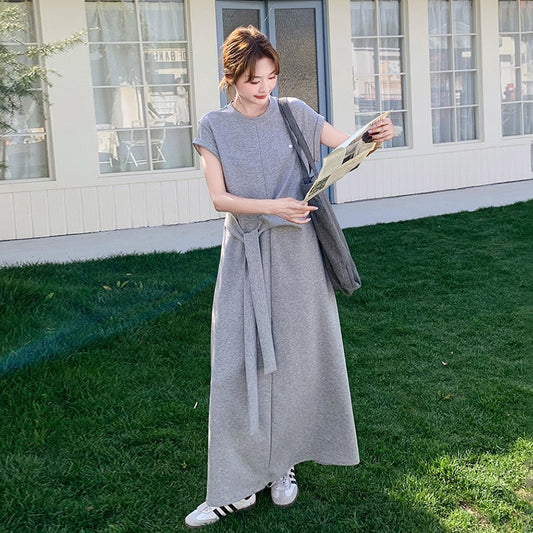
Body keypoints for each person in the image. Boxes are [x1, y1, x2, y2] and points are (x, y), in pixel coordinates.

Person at [186, 26, 394, 529]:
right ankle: (235, 487)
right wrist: (273, 207)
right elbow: (219, 198)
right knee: (236, 365)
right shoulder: (213, 126)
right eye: (254, 80)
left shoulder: (293, 111)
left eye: (271, 77)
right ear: (231, 77)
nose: (265, 88)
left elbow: (345, 147)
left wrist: (372, 138)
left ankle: (284, 465)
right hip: (246, 255)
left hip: (300, 257)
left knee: (299, 361)